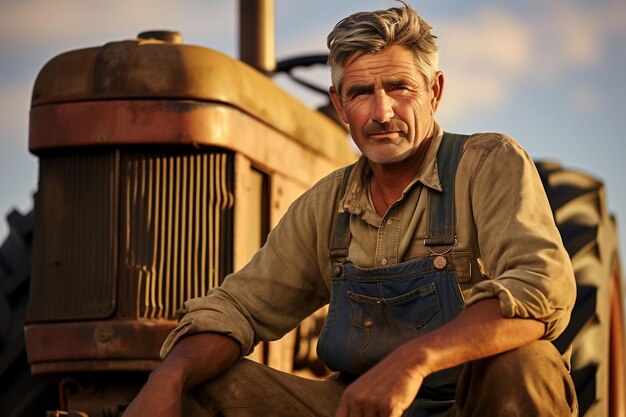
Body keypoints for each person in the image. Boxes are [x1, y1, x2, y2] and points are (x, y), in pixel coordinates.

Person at [124, 4, 578, 417]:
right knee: (204, 386)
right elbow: (238, 308)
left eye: (399, 87)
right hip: (357, 409)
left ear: (434, 92)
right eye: (361, 92)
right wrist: (168, 378)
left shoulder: (486, 164)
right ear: (340, 105)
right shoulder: (326, 204)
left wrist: (412, 360)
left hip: (470, 405)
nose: (382, 112)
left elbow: (540, 287)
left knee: (527, 360)